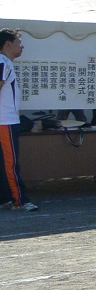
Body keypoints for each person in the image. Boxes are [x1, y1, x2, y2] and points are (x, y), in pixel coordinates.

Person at [0, 28, 36, 210]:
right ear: (8, 44)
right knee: (10, 162)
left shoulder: (5, 62)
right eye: (19, 43)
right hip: (4, 121)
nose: (22, 46)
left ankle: (6, 198)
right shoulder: (3, 62)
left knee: (4, 162)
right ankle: (19, 200)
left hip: (6, 120)